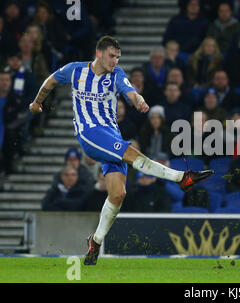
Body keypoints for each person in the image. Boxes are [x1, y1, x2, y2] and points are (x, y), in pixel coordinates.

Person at [29, 36, 213, 266]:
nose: (115, 61)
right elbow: (50, 81)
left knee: (118, 194)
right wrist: (37, 103)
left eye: (118, 57)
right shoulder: (75, 70)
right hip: (89, 133)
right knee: (131, 152)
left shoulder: (116, 75)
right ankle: (180, 177)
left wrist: (139, 101)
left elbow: (131, 91)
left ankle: (95, 242)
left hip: (111, 135)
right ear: (99, 53)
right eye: (111, 56)